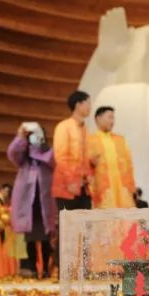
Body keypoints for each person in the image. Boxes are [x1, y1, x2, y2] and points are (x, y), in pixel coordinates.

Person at [8, 122, 56, 278]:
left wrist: (40, 148)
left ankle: (46, 268)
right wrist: (20, 137)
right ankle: (32, 268)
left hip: (44, 203)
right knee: (30, 239)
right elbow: (12, 153)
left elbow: (54, 161)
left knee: (45, 238)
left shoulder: (49, 152)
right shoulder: (23, 158)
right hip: (28, 204)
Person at [53, 90, 93, 220]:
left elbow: (86, 158)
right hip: (66, 188)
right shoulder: (63, 127)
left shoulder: (86, 130)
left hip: (84, 188)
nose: (90, 107)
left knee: (85, 227)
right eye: (88, 103)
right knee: (68, 227)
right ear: (78, 105)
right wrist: (70, 181)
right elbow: (61, 157)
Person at [87, 106, 136, 209]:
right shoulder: (90, 140)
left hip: (123, 189)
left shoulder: (120, 140)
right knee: (106, 215)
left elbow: (129, 165)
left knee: (125, 215)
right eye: (109, 117)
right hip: (103, 190)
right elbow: (85, 166)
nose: (112, 121)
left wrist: (132, 187)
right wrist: (91, 163)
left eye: (113, 118)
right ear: (98, 119)